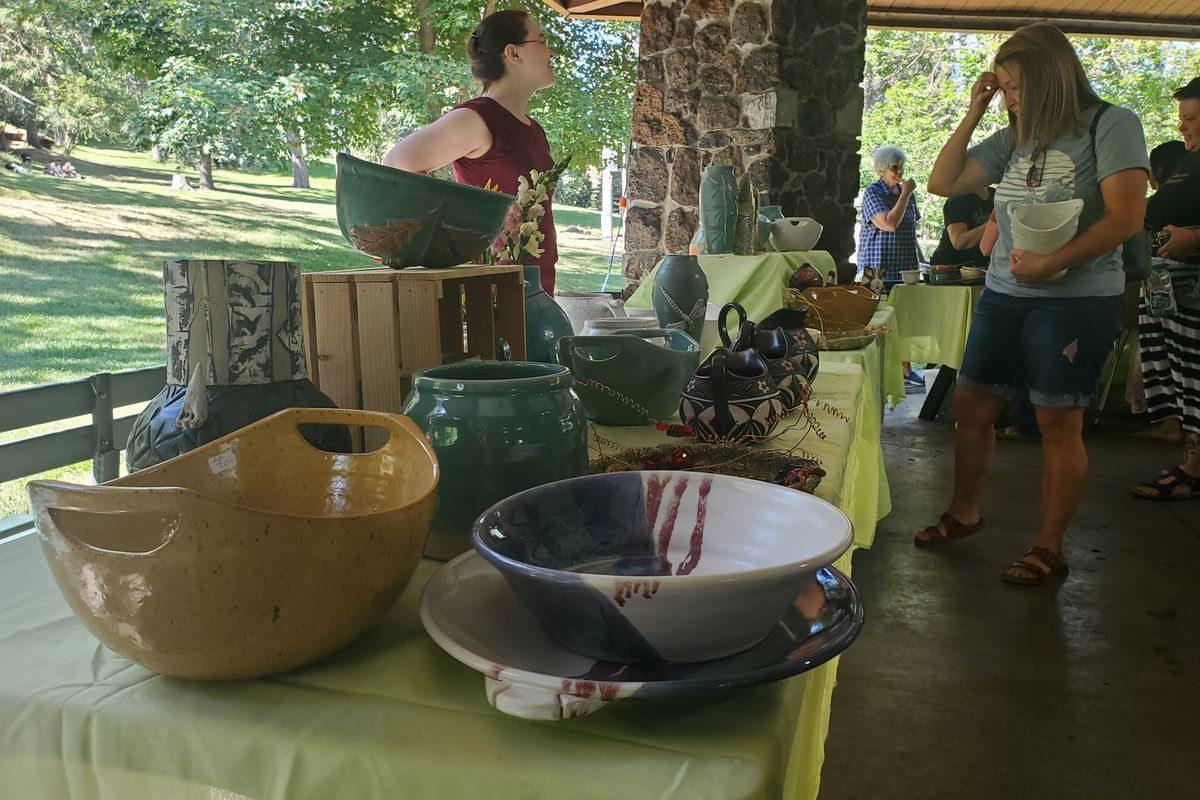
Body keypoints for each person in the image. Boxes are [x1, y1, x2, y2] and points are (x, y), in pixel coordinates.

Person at [919, 23, 1149, 585]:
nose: (1009, 98)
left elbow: (1127, 217)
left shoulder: (1110, 124)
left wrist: (1054, 262)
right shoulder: (1014, 139)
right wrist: (976, 110)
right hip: (1003, 294)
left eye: (1015, 86)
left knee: (1056, 423)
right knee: (971, 410)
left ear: (1051, 75)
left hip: (1075, 300)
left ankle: (1049, 547)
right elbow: (941, 182)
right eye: (1001, 88)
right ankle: (965, 512)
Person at [382, 9, 560, 294]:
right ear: (513, 53)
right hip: (488, 298)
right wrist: (448, 231)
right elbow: (395, 165)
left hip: (535, 293)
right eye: (542, 40)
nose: (551, 52)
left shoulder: (534, 129)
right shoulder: (476, 119)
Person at [1131, 77, 1200, 499]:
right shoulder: (1188, 161)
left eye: (1191, 118)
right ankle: (1190, 453)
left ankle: (1195, 466)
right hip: (1164, 282)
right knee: (1177, 370)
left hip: (1192, 285)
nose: (1183, 127)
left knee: (1195, 372)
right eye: (1182, 118)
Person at [1130, 139, 1189, 443]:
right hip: (1169, 285)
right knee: (1181, 359)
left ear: (1160, 170)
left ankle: (1171, 423)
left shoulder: (1160, 201)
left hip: (1160, 283)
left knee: (1161, 351)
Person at [858, 146, 922, 284]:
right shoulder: (873, 192)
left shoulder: (908, 195)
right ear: (882, 170)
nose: (900, 171)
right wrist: (905, 194)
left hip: (906, 272)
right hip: (878, 275)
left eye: (902, 166)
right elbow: (889, 224)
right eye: (894, 167)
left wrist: (922, 261)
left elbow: (910, 232)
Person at [928, 186, 995, 268]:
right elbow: (959, 242)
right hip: (950, 267)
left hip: (981, 266)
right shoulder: (959, 198)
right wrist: (993, 223)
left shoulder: (996, 195)